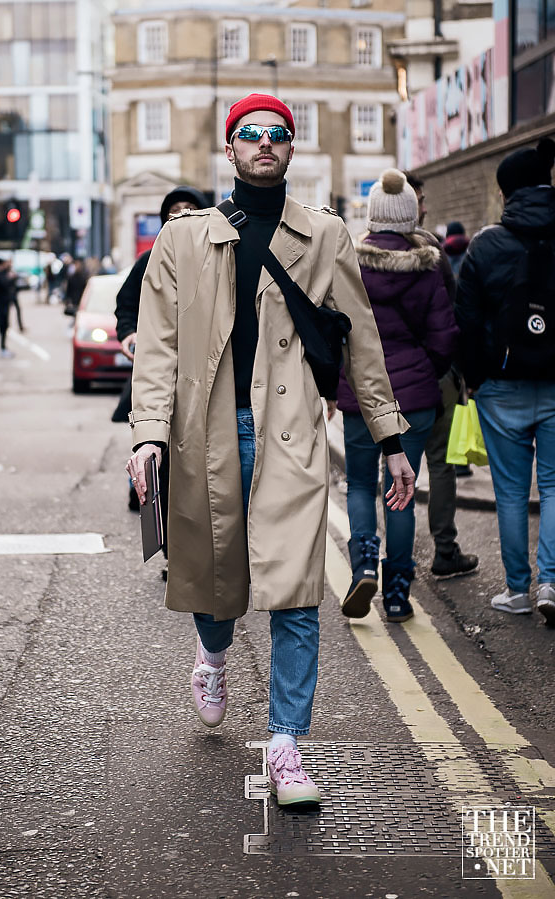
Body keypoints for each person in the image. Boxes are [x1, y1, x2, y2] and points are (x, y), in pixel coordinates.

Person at [125, 94, 414, 807]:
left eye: (276, 134)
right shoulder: (184, 238)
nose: (263, 143)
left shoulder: (325, 236)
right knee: (215, 579)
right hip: (210, 435)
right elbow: (157, 346)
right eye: (249, 134)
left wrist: (391, 436)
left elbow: (362, 342)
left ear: (291, 149)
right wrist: (148, 435)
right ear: (229, 150)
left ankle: (285, 744)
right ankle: (213, 653)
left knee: (294, 594)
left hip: (290, 435)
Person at [335, 169, 459, 623]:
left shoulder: (348, 263)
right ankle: (397, 594)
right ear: (410, 214)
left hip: (360, 398)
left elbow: (337, 334)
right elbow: (445, 337)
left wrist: (336, 385)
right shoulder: (428, 267)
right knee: (402, 490)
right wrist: (427, 372)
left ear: (373, 215)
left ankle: (363, 564)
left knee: (362, 484)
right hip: (415, 397)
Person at [456, 137, 555, 625]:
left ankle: (518, 590)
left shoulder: (486, 245)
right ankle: (550, 583)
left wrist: (475, 380)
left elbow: (467, 322)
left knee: (513, 492)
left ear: (506, 194)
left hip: (501, 386)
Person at [113, 185, 209, 517]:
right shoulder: (149, 260)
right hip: (162, 368)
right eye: (174, 209)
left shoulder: (219, 258)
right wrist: (128, 333)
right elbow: (125, 305)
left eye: (190, 208)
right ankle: (140, 489)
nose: (181, 213)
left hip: (203, 374)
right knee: (153, 436)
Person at [405, 172, 479, 578]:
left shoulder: (361, 252)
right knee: (442, 465)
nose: (425, 206)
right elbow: (452, 317)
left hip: (391, 382)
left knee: (396, 468)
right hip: (435, 378)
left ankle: (398, 563)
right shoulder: (431, 251)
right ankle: (445, 551)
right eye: (418, 199)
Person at [0, 258, 16, 357]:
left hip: (3, 303)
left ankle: (3, 347)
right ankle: (2, 348)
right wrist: (10, 278)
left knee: (4, 325)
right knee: (3, 325)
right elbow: (4, 285)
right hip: (1, 303)